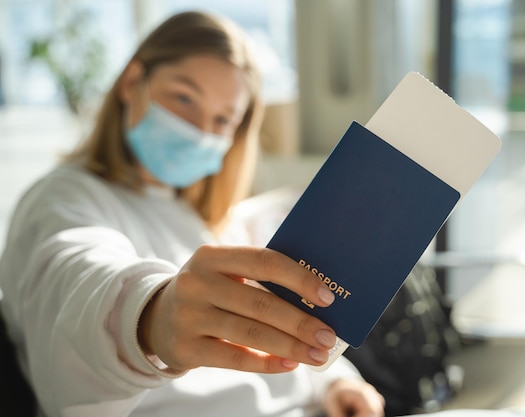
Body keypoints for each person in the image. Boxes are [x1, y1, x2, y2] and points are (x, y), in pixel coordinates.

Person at [0, 11, 384, 417]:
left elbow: (272, 330)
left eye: (222, 120)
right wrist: (150, 317)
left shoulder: (207, 220)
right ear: (132, 83)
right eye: (184, 98)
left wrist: (335, 381)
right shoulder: (62, 199)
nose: (200, 130)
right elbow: (76, 280)